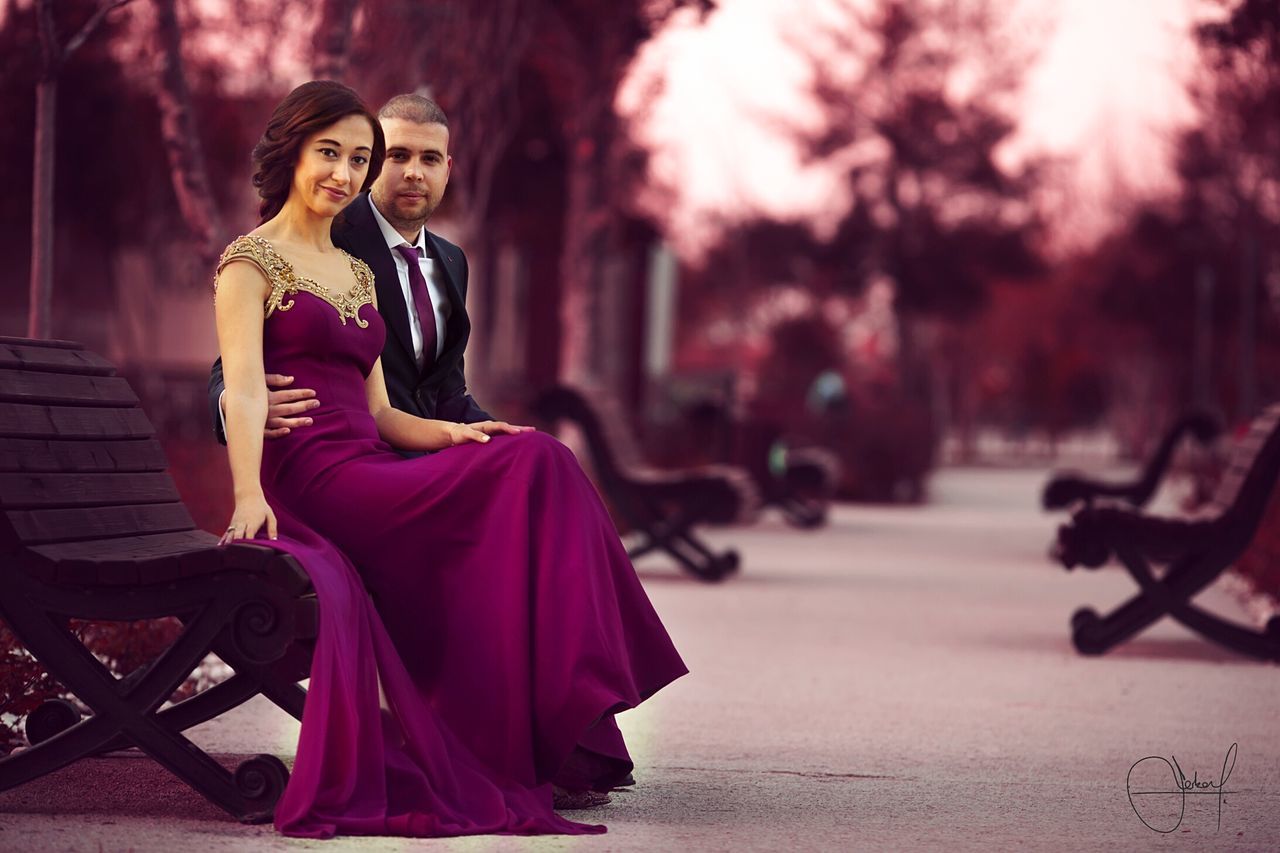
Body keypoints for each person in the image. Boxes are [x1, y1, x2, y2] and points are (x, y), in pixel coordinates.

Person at [212, 80, 687, 839]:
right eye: (332, 153)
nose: (345, 172)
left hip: (375, 458)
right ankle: (558, 709)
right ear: (293, 152)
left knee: (539, 458)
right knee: (527, 475)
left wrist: (466, 437)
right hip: (313, 479)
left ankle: (577, 702)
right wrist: (244, 495)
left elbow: (386, 412)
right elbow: (236, 385)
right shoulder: (249, 261)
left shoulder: (357, 270)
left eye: (356, 159)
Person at [207, 93, 490, 444]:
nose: (414, 173)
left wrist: (500, 436)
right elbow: (235, 357)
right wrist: (232, 402)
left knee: (539, 456)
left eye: (429, 159)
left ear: (446, 170)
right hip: (354, 453)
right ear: (372, 165)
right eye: (397, 156)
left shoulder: (452, 260)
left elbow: (446, 390)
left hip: (434, 453)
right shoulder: (330, 238)